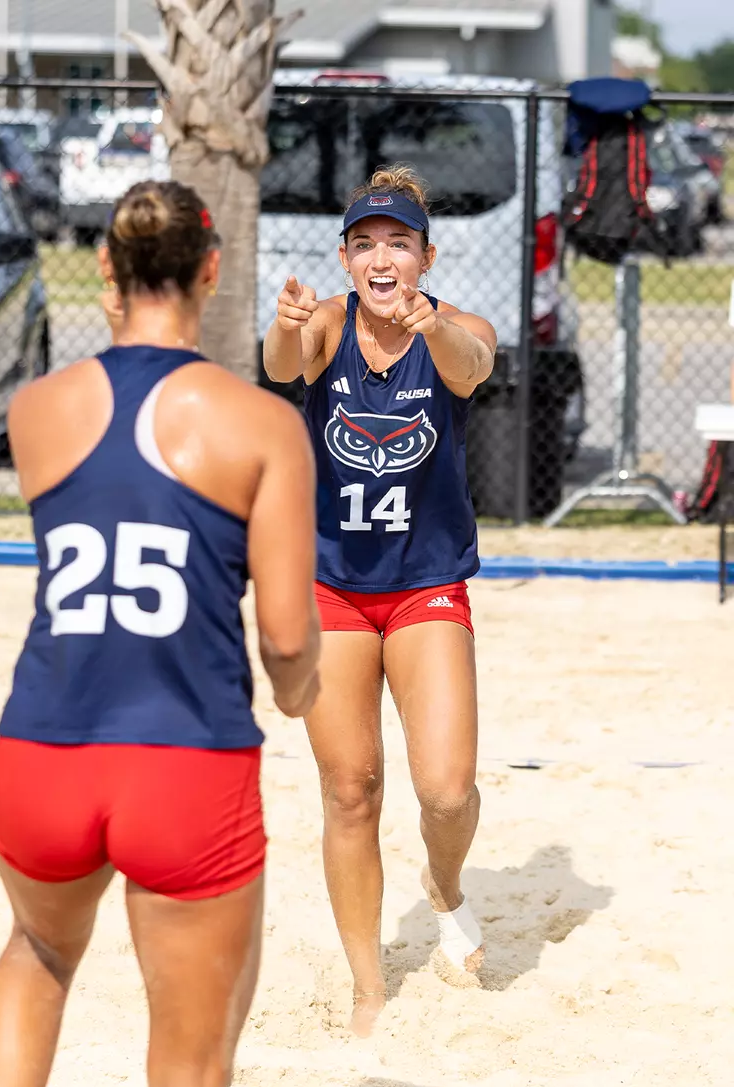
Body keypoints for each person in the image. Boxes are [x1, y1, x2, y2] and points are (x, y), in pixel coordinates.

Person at [0, 179, 321, 1087]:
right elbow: (287, 639)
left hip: (43, 745)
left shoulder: (36, 410)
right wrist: (300, 697)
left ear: (108, 270)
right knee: (191, 1056)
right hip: (184, 754)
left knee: (39, 952)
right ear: (211, 270)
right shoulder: (262, 423)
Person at [263, 165, 497, 1035]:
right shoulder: (329, 320)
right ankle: (367, 987)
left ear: (425, 256)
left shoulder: (457, 329)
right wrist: (284, 327)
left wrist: (431, 327)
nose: (381, 257)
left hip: (427, 583)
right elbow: (284, 358)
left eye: (398, 241)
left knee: (445, 790)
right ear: (348, 258)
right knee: (351, 789)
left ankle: (447, 886)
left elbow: (471, 370)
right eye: (365, 243)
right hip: (332, 586)